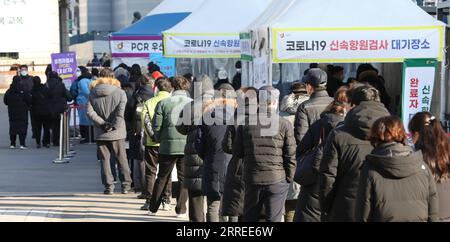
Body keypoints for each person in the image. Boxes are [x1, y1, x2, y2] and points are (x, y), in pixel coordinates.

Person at [319, 84, 390, 222]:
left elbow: (327, 177)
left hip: (346, 209)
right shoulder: (393, 133)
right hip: (385, 208)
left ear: (353, 105)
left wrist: (327, 208)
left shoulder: (339, 135)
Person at [355, 116, 438, 222]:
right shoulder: (422, 167)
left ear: (375, 137)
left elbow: (363, 213)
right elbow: (433, 210)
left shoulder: (370, 169)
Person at [233, 86, 296, 222]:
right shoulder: (284, 124)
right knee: (273, 219)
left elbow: (237, 152)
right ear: (274, 102)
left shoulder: (245, 124)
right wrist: (288, 179)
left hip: (253, 177)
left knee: (250, 217)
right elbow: (290, 155)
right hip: (277, 178)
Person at [294, 87, 350, 222]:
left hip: (314, 183)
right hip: (341, 187)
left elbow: (300, 149)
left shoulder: (320, 123)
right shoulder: (351, 129)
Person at [148, 76, 192, 218]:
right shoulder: (192, 104)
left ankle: (153, 208)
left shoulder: (163, 103)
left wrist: (160, 138)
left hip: (167, 146)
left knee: (162, 177)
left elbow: (156, 126)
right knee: (183, 178)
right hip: (186, 146)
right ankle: (181, 210)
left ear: (172, 86)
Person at [87, 68, 132, 195]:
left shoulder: (92, 92)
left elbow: (90, 112)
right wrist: (114, 126)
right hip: (117, 132)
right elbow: (120, 111)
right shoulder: (120, 92)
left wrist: (102, 124)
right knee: (121, 158)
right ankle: (126, 185)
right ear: (113, 77)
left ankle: (109, 186)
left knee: (104, 160)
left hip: (101, 132)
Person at [176, 74, 214, 222]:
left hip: (193, 152)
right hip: (214, 151)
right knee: (215, 192)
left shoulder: (190, 106)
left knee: (195, 191)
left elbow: (180, 128)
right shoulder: (219, 105)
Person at [197, 83, 237, 222]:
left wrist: (208, 156)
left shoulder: (206, 117)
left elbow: (199, 144)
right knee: (234, 206)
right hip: (235, 165)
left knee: (213, 204)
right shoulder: (241, 118)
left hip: (213, 162)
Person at [221, 87, 258, 222]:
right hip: (258, 164)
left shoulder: (235, 117)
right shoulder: (263, 118)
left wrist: (238, 151)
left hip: (238, 164)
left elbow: (226, 145)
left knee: (237, 203)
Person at [409, 112, 450, 221]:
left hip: (426, 214)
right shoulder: (447, 152)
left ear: (416, 135)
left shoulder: (415, 159)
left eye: (410, 134)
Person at [140, 77, 173, 210]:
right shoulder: (172, 102)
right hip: (168, 143)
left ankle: (149, 200)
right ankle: (166, 200)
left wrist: (154, 137)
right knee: (167, 173)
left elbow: (145, 121)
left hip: (151, 143)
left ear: (156, 88)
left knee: (151, 171)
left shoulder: (149, 102)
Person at [278, 82, 309, 222]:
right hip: (307, 161)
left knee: (289, 202)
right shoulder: (312, 110)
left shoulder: (280, 115)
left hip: (285, 162)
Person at [128, 74, 154, 197]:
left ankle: (138, 184)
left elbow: (127, 114)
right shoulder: (155, 97)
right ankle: (151, 186)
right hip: (153, 132)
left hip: (136, 131)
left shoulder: (135, 97)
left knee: (138, 159)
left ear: (140, 83)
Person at [294, 68, 334, 145]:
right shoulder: (336, 102)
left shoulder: (304, 107)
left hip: (313, 154)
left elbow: (301, 138)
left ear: (309, 86)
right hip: (334, 153)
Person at [46, 71, 73, 146]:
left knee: (51, 125)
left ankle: (50, 140)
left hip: (49, 108)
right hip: (60, 107)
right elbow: (68, 96)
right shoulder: (61, 84)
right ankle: (58, 140)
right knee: (59, 125)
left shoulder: (46, 84)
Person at [4, 78, 31, 149]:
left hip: (12, 112)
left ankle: (12, 144)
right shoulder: (23, 90)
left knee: (13, 127)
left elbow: (5, 101)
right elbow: (29, 100)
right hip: (22, 112)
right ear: (20, 81)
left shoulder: (9, 91)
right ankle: (22, 144)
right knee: (22, 127)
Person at [30, 76, 51, 149]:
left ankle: (38, 142)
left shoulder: (32, 91)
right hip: (46, 111)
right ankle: (46, 142)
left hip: (36, 112)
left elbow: (31, 102)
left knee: (37, 128)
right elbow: (49, 97)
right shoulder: (45, 88)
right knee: (46, 128)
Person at [74, 66, 94, 144]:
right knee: (90, 120)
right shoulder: (91, 80)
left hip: (84, 102)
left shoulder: (82, 81)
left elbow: (86, 91)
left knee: (85, 120)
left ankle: (88, 138)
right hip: (88, 102)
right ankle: (91, 137)